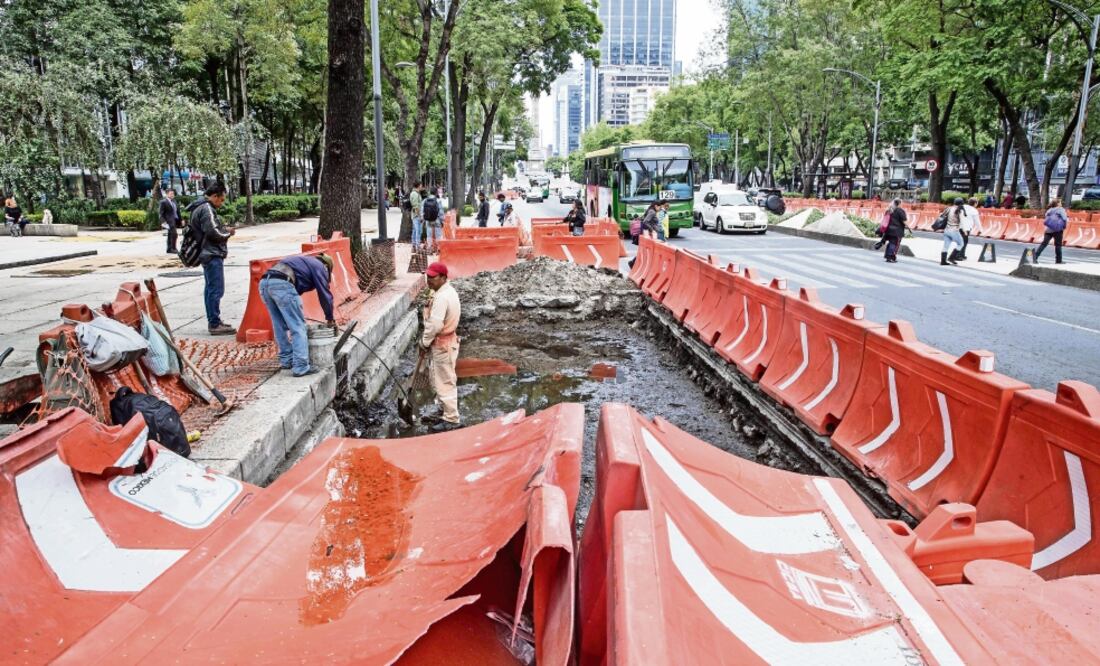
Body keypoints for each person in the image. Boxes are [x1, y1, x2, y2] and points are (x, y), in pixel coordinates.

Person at [260, 253, 336, 377]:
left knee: (279, 326)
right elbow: (324, 294)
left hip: (264, 283)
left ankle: (287, 360)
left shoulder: (302, 262)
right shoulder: (320, 267)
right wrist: (330, 318)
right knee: (298, 327)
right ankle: (301, 366)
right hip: (282, 284)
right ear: (327, 266)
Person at [187, 182, 236, 335]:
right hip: (211, 253)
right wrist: (227, 233)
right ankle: (214, 323)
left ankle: (214, 320)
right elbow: (213, 232)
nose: (222, 203)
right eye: (221, 199)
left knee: (210, 289)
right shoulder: (206, 208)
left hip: (206, 252)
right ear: (214, 196)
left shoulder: (198, 207)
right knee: (215, 289)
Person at [421, 262, 462, 432]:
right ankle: (442, 409)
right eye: (427, 276)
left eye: (433, 277)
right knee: (439, 378)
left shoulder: (442, 297)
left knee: (445, 381)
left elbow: (435, 325)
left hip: (442, 344)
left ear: (443, 278)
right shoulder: (446, 291)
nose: (429, 280)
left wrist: (424, 342)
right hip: (447, 342)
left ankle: (451, 419)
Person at [1035, 198, 1068, 264]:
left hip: (1049, 229)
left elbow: (1046, 218)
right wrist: (1064, 226)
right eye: (1060, 202)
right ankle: (1058, 261)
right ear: (1058, 204)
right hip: (1058, 230)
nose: (1061, 203)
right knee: (1058, 245)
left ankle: (1035, 257)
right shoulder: (1061, 209)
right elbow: (1064, 219)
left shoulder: (1049, 210)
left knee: (1044, 244)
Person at [882, 198, 909, 263]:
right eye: (901, 203)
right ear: (899, 203)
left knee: (890, 243)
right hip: (897, 230)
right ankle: (891, 257)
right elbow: (904, 221)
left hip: (888, 230)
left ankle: (887, 256)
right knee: (895, 244)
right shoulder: (900, 210)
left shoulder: (889, 210)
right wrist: (908, 227)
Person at [941, 197, 966, 266]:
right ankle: (951, 258)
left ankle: (943, 261)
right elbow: (962, 222)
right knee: (961, 244)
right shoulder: (960, 210)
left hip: (946, 230)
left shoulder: (949, 208)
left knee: (946, 246)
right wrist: (964, 230)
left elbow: (942, 216)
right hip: (954, 230)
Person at [160, 188, 182, 254]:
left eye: (173, 194)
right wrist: (163, 221)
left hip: (175, 220)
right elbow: (161, 213)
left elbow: (177, 211)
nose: (172, 195)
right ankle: (173, 248)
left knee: (170, 235)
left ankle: (169, 249)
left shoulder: (174, 201)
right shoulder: (163, 202)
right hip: (168, 221)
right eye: (171, 194)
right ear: (167, 194)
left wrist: (181, 220)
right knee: (174, 234)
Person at [409, 181, 423, 250]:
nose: (422, 186)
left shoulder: (416, 193)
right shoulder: (414, 194)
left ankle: (414, 246)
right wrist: (420, 216)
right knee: (418, 231)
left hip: (415, 215)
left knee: (415, 230)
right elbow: (415, 206)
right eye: (421, 185)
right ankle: (417, 246)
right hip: (416, 215)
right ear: (418, 185)